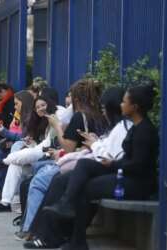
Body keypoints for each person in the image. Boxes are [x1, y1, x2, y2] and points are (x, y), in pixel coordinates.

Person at [27, 84, 159, 250]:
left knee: (85, 187)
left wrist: (111, 162)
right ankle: (68, 216)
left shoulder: (144, 131)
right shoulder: (135, 127)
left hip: (136, 183)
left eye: (124, 102)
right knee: (83, 165)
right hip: (124, 173)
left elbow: (138, 165)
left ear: (135, 107)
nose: (121, 105)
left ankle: (75, 238)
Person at [17, 87, 131, 242]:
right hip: (91, 163)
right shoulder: (111, 123)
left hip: (102, 167)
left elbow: (70, 148)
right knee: (49, 179)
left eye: (70, 97)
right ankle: (45, 231)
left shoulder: (83, 117)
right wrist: (96, 143)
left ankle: (39, 230)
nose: (68, 101)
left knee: (42, 181)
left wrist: (58, 127)